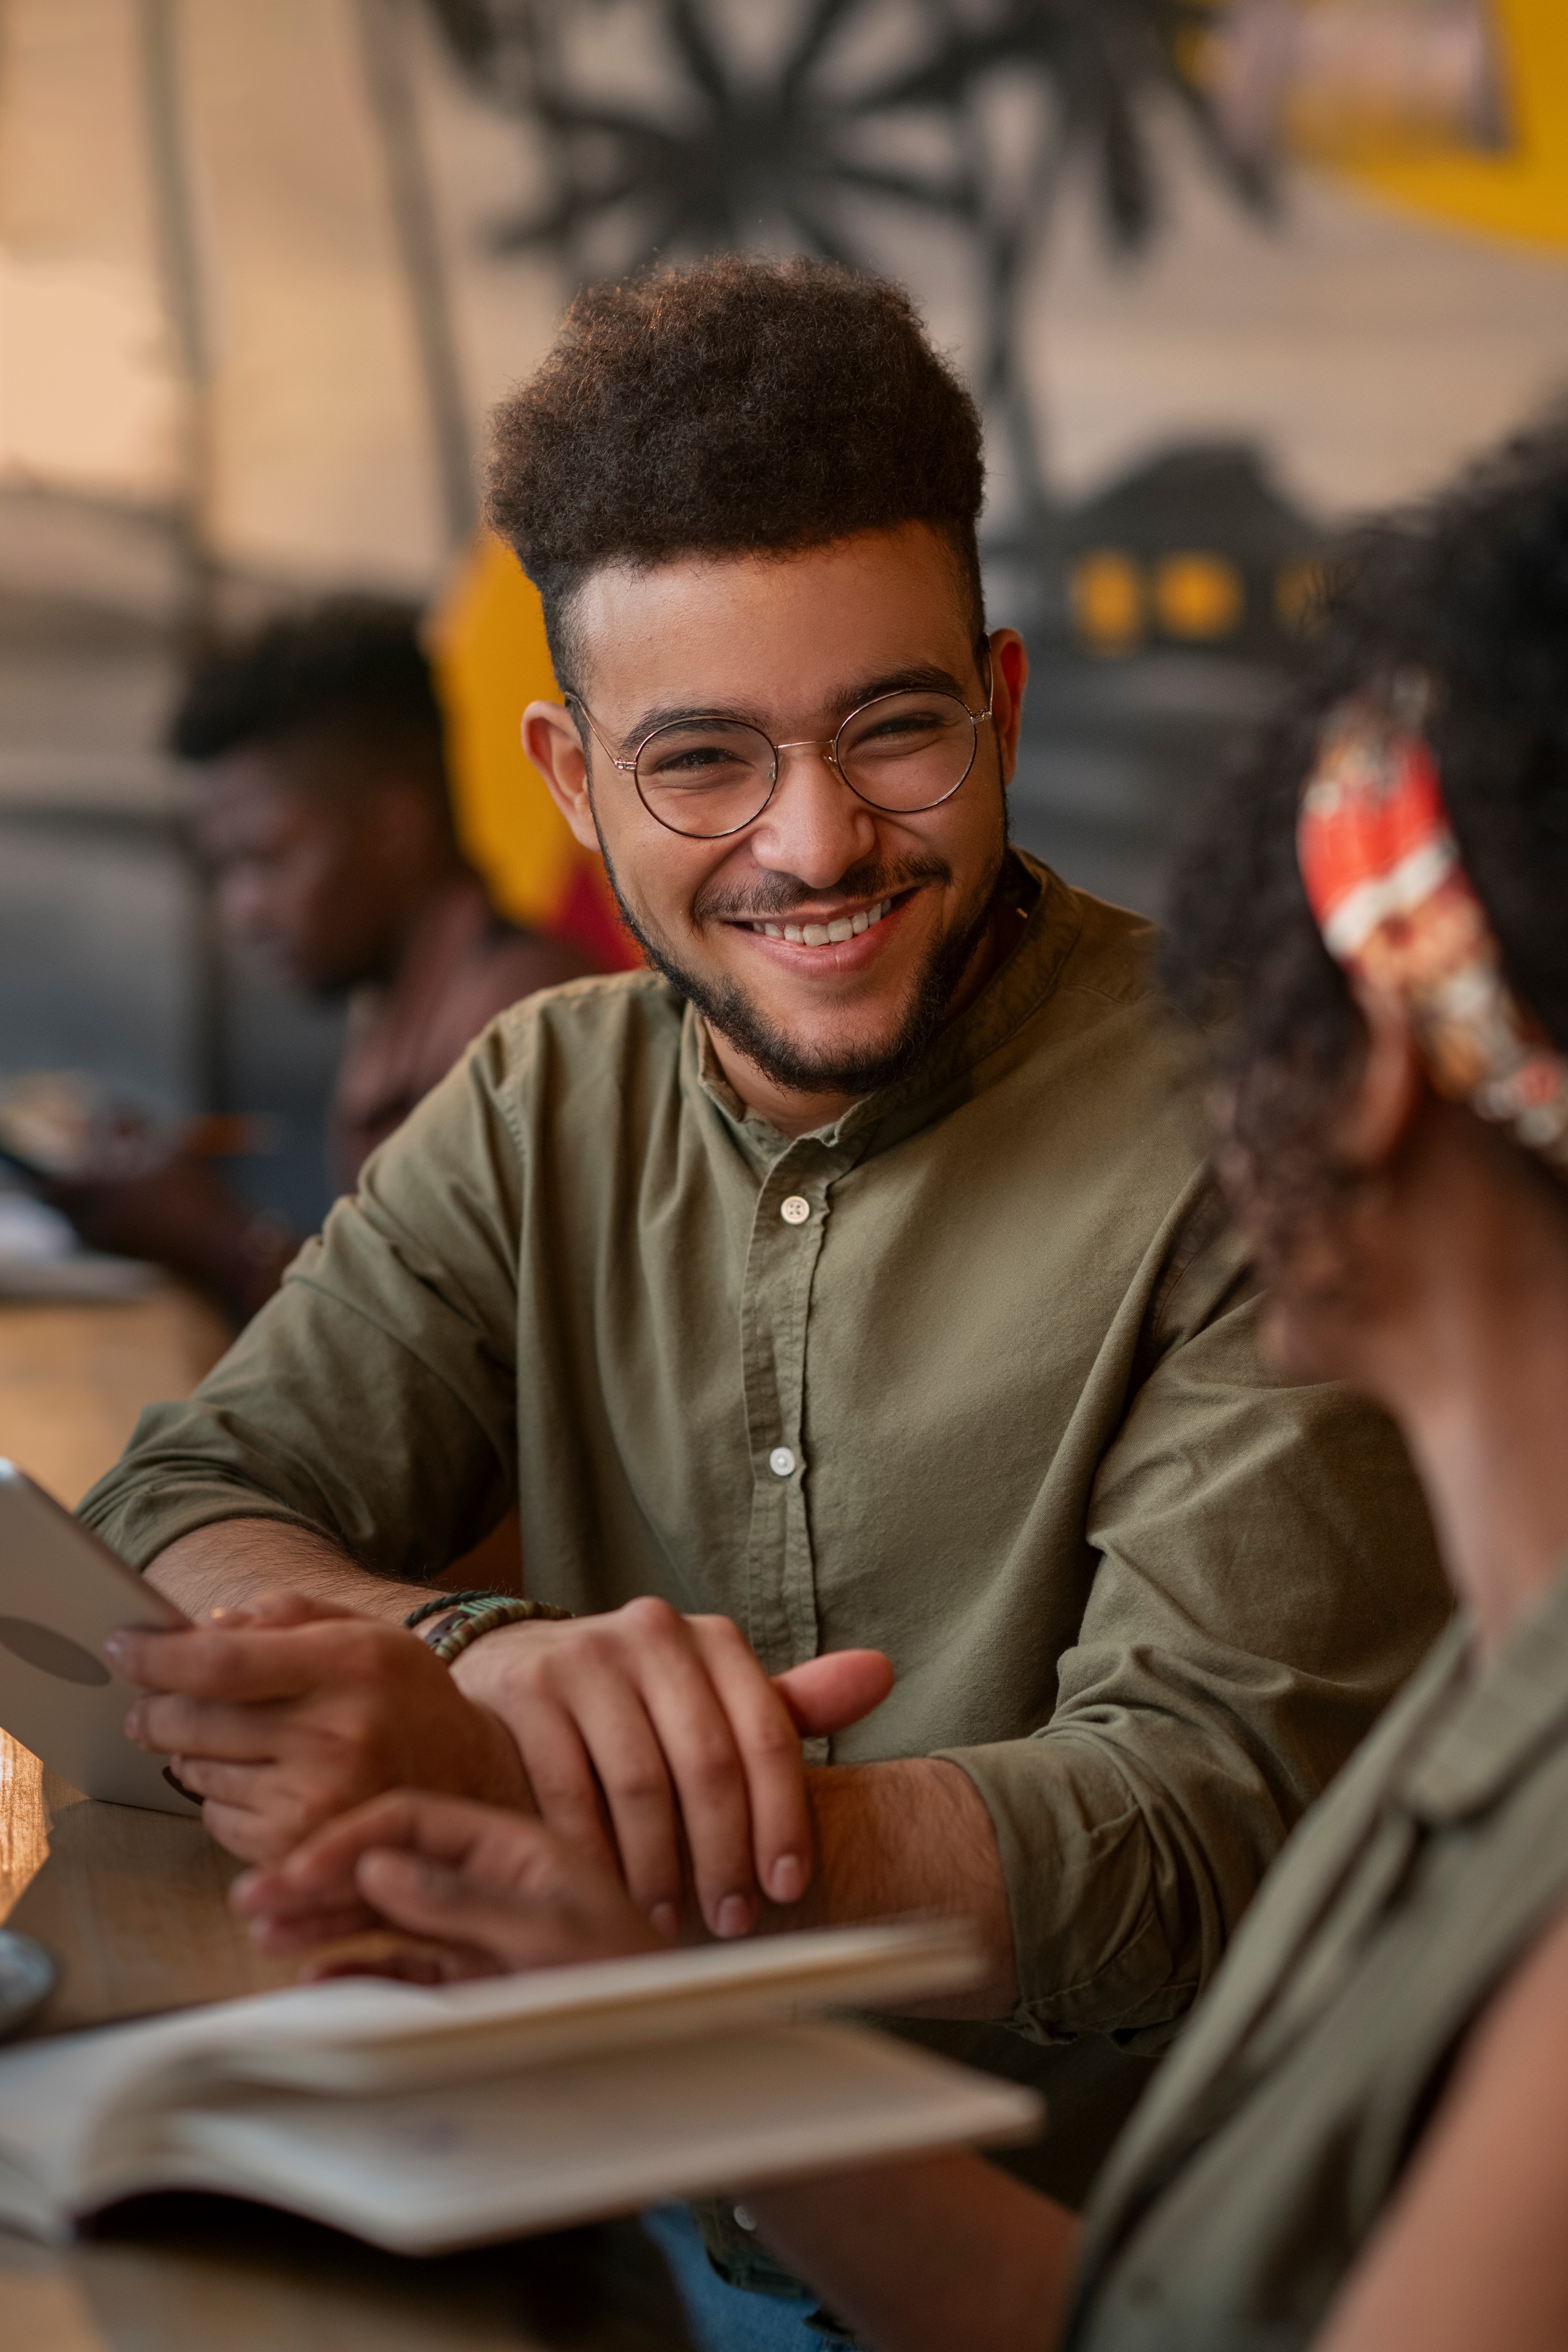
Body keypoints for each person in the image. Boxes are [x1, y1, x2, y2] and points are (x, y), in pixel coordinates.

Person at [82, 259, 1445, 2316]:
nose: (815, 842)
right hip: (615, 2217)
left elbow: (1194, 1832)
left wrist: (547, 1792)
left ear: (998, 704)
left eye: (891, 730)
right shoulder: (540, 1095)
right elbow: (167, 1513)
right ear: (567, 779)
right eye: (701, 760)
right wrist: (468, 1649)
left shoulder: (1258, 1117)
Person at [52, 598, 597, 1316]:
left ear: (394, 828)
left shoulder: (524, 1034)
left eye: (268, 859)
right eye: (222, 872)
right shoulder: (403, 1006)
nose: (240, 909)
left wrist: (217, 1238)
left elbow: (458, 1382)